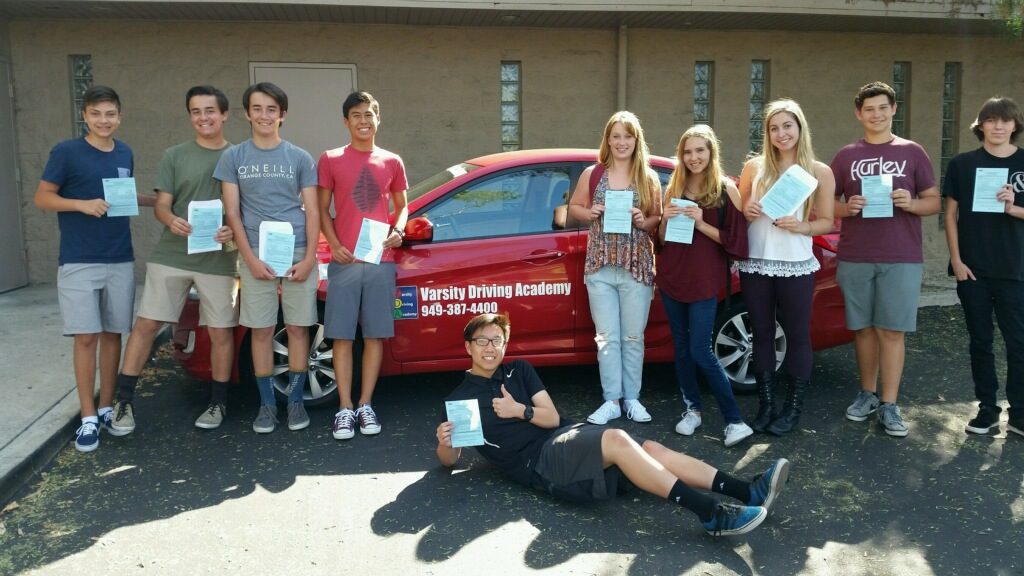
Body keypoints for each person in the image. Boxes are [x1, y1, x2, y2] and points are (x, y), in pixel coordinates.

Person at [435, 313, 791, 536]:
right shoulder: (460, 400)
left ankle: (747, 491)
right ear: (468, 346)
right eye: (482, 341)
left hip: (566, 435)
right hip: (541, 464)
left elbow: (552, 418)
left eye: (497, 340)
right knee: (620, 439)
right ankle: (710, 513)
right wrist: (445, 443)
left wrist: (519, 411)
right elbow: (451, 461)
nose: (490, 348)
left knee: (649, 449)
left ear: (505, 343)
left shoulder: (520, 370)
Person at [107, 86, 238, 433]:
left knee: (221, 332)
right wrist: (170, 219)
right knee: (147, 325)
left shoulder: (239, 156)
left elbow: (246, 210)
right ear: (190, 116)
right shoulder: (175, 155)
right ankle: (124, 404)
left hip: (219, 260)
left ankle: (218, 403)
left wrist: (233, 233)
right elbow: (162, 204)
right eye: (196, 111)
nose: (203, 118)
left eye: (210, 110)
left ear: (224, 114)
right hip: (173, 254)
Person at [33, 85, 152, 452]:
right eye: (97, 113)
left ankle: (105, 408)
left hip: (119, 257)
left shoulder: (125, 152)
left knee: (113, 334)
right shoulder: (67, 152)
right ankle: (87, 417)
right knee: (86, 336)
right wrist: (81, 205)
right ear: (84, 115)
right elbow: (42, 198)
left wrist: (161, 201)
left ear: (120, 116)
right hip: (79, 259)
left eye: (110, 114)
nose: (104, 120)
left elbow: (122, 197)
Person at [831, 81, 939, 437]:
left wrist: (911, 203)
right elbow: (826, 205)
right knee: (862, 329)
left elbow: (933, 201)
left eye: (882, 107)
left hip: (901, 257)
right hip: (856, 255)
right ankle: (867, 394)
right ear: (858, 114)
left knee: (892, 330)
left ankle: (890, 404)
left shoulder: (912, 152)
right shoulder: (846, 156)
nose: (876, 114)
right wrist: (846, 208)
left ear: (894, 109)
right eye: (869, 109)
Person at [215, 82, 319, 434]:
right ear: (247, 113)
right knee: (260, 331)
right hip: (256, 256)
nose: (264, 115)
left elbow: (314, 212)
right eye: (257, 108)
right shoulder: (233, 158)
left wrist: (308, 260)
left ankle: (295, 403)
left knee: (297, 329)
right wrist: (249, 259)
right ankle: (266, 405)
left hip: (297, 251)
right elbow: (232, 212)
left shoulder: (300, 157)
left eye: (271, 109)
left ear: (283, 115)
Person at [739, 99, 835, 436]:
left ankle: (792, 409)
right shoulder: (755, 167)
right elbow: (741, 210)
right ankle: (766, 406)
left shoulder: (819, 171)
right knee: (761, 334)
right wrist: (747, 209)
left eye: (787, 126)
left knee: (796, 335)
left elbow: (826, 221)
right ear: (767, 132)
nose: (782, 134)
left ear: (800, 128)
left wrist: (803, 227)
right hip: (756, 260)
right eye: (774, 128)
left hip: (795, 262)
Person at [317, 91, 408, 440]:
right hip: (344, 261)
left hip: (381, 260)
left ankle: (366, 404)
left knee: (374, 336)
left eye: (369, 114)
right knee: (340, 335)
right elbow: (322, 209)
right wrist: (335, 245)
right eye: (356, 115)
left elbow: (402, 204)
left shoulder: (392, 161)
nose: (363, 121)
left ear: (378, 119)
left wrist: (399, 228)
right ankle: (344, 408)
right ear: (346, 121)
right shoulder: (330, 159)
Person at [656, 125, 752, 446]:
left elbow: (737, 242)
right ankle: (692, 409)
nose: (694, 157)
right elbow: (661, 241)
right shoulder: (673, 187)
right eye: (688, 151)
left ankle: (734, 420)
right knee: (681, 350)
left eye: (700, 150)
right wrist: (665, 219)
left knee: (701, 349)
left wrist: (701, 224)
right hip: (672, 277)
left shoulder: (726, 189)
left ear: (711, 153)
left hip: (703, 282)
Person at [567, 111, 663, 425]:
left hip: (636, 267)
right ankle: (611, 400)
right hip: (601, 266)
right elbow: (575, 209)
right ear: (608, 139)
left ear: (637, 140)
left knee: (633, 338)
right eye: (616, 136)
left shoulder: (647, 177)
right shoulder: (593, 174)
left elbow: (656, 219)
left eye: (628, 136)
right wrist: (590, 211)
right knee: (606, 337)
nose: (622, 142)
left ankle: (632, 399)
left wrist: (642, 220)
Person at [943, 96, 1024, 438]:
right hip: (972, 270)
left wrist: (1013, 208)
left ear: (1014, 125)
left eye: (1004, 120)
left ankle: (1019, 412)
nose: (998, 126)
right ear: (981, 126)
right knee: (980, 341)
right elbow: (949, 215)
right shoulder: (963, 164)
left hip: (1016, 270)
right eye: (990, 120)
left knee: (1018, 342)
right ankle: (987, 409)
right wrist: (957, 262)